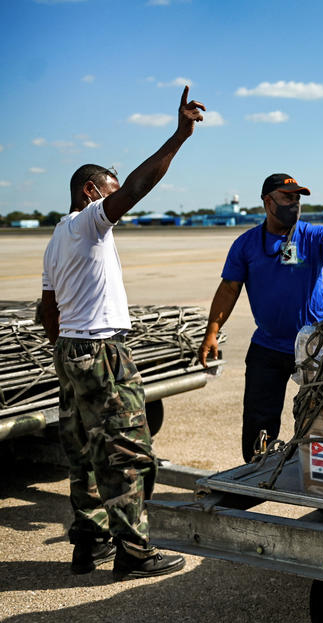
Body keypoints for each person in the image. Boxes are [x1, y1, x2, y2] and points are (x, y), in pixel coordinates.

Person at [39, 87, 205, 580]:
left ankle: (89, 544)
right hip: (101, 348)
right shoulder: (89, 223)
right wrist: (179, 136)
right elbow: (135, 187)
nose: (116, 200)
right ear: (91, 192)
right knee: (128, 452)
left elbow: (47, 309)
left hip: (70, 348)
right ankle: (133, 553)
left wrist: (67, 353)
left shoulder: (56, 237)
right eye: (107, 191)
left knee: (83, 450)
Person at [198, 174, 323, 462]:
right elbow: (228, 289)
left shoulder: (312, 235)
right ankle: (257, 468)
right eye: (288, 198)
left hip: (316, 344)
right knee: (259, 419)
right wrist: (212, 331)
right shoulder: (246, 244)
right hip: (268, 345)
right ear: (268, 201)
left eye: (297, 198)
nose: (294, 204)